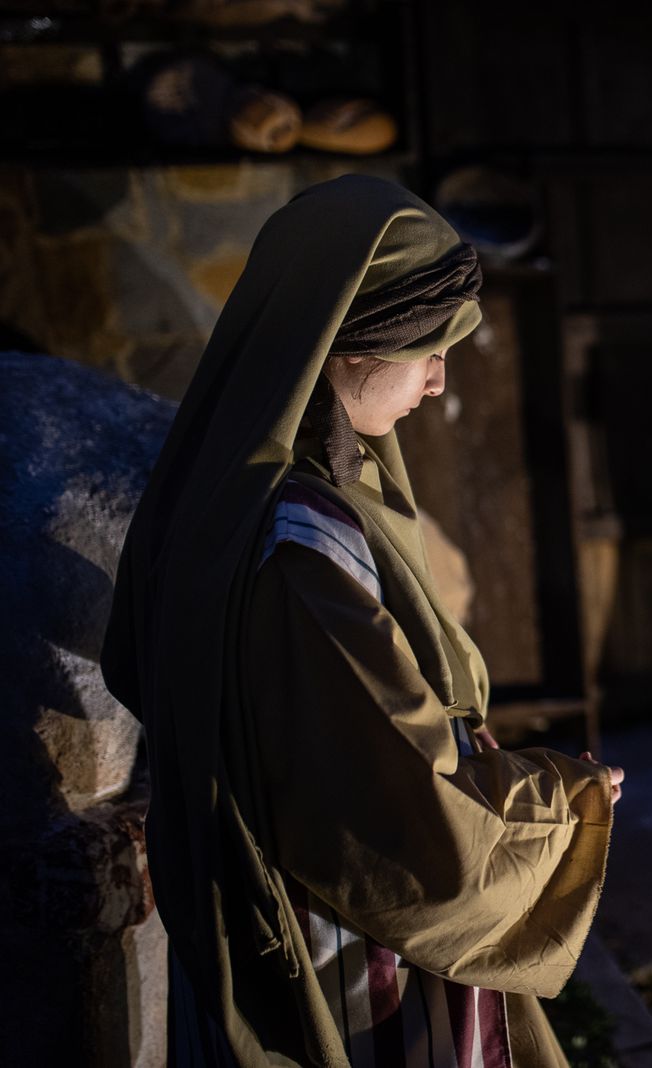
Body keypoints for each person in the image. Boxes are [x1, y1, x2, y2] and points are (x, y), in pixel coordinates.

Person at [101, 175, 621, 1067]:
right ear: (349, 343)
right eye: (429, 349)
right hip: (353, 954)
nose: (438, 383)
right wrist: (562, 800)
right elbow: (395, 810)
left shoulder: (215, 492)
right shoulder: (302, 542)